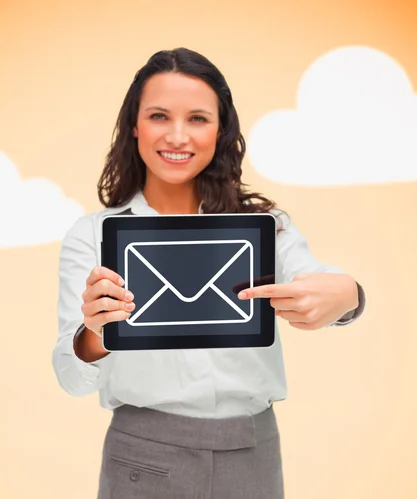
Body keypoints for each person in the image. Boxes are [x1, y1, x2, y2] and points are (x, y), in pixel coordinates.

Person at [52, 47, 366, 499]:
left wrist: (348, 295)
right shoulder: (94, 236)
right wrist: (96, 333)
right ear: (134, 127)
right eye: (160, 116)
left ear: (221, 131)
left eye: (198, 118)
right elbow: (70, 375)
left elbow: (316, 282)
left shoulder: (266, 229)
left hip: (253, 452)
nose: (178, 136)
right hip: (143, 456)